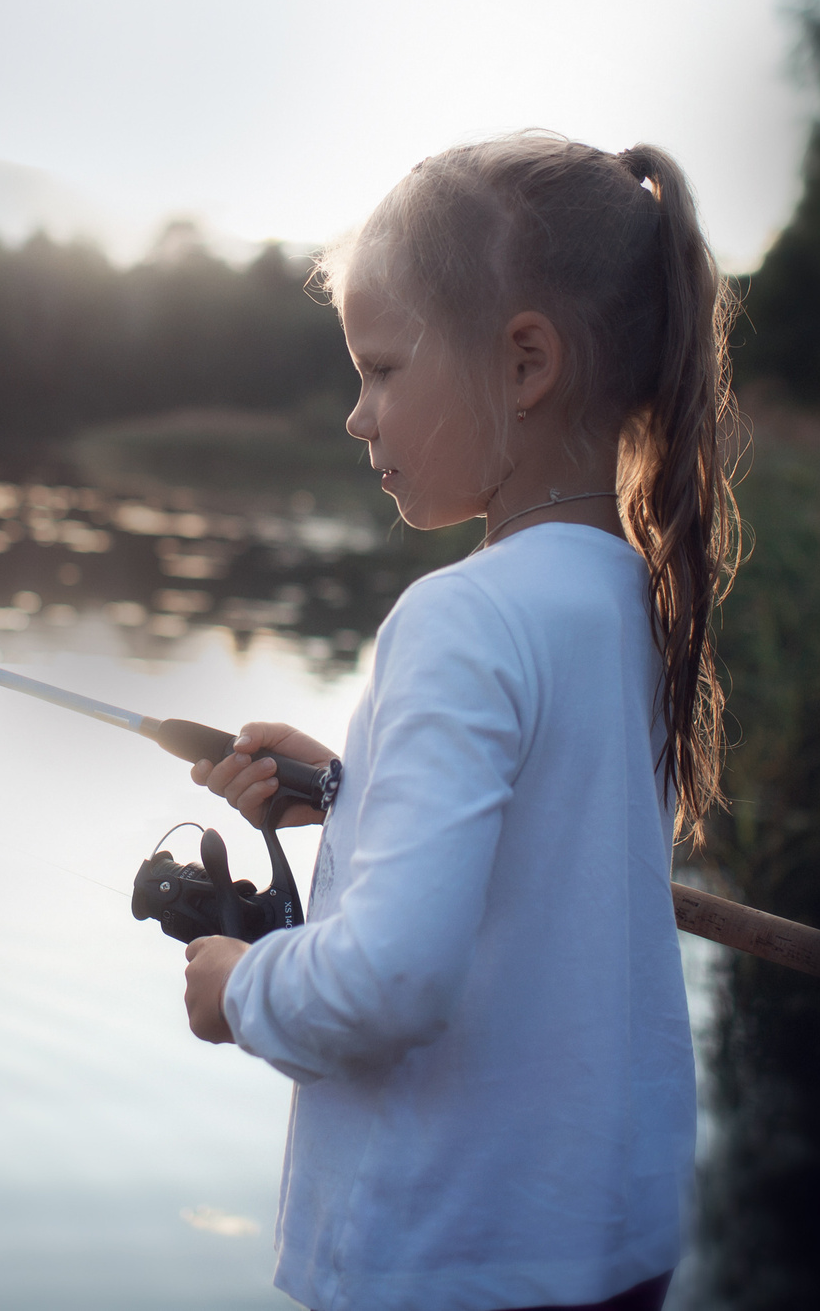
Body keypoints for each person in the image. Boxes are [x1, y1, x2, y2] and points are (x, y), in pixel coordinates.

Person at [179, 133, 740, 1311]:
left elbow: (391, 978)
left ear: (525, 361)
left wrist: (240, 989)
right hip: (603, 1249)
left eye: (381, 370)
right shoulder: (625, 595)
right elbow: (538, 848)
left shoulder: (462, 617)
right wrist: (350, 790)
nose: (356, 416)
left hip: (446, 1258)